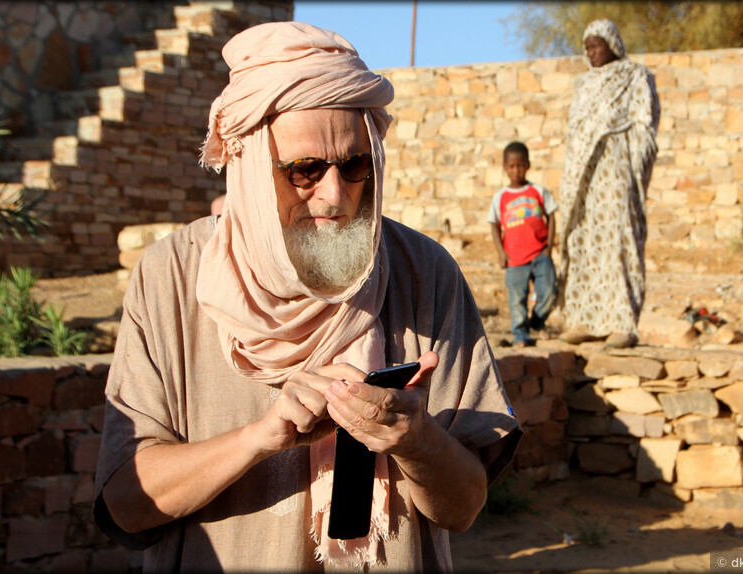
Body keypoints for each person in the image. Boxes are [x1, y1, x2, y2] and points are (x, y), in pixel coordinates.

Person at [93, 22, 521, 572]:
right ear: (247, 166)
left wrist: (415, 441)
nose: (335, 195)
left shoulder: (425, 274)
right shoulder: (170, 279)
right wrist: (258, 439)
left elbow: (463, 507)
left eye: (354, 164)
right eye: (305, 169)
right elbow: (127, 505)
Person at [556, 19, 660, 349]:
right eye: (586, 45)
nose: (589, 51)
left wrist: (630, 160)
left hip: (616, 170)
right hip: (583, 177)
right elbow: (577, 130)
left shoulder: (635, 75)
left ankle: (622, 322)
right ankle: (586, 317)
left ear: (612, 43)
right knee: (583, 239)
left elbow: (646, 121)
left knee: (619, 238)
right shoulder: (586, 83)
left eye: (595, 44)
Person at [487, 141, 558, 348]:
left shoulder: (538, 191)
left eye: (520, 165)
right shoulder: (500, 197)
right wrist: (501, 253)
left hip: (540, 254)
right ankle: (520, 335)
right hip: (515, 259)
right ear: (505, 167)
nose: (515, 170)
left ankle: (537, 321)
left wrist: (549, 247)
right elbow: (494, 224)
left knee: (550, 291)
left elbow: (551, 216)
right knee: (517, 300)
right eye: (511, 166)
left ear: (528, 165)